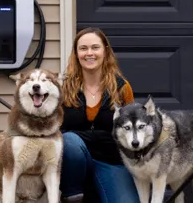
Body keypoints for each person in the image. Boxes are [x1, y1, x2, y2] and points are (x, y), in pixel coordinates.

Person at [59, 27, 140, 203]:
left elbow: (132, 130)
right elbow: (55, 130)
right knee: (70, 141)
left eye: (95, 47)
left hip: (111, 161)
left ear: (105, 51)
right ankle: (72, 197)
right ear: (76, 53)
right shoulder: (64, 89)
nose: (89, 53)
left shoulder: (121, 87)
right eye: (83, 48)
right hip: (73, 164)